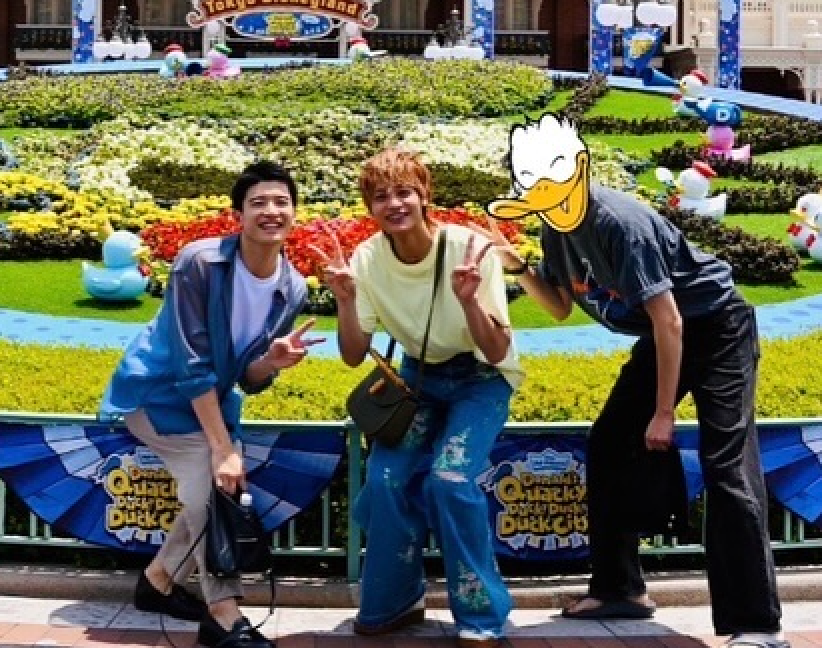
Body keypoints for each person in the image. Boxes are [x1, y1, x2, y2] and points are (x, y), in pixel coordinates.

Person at [480, 112, 787, 648]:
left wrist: (663, 413)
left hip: (716, 326)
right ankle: (619, 588)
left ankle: (757, 625)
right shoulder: (555, 226)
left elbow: (670, 320)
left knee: (727, 464)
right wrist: (519, 268)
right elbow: (559, 306)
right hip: (665, 334)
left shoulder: (621, 224)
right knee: (610, 440)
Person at [100, 161, 322, 648]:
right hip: (157, 395)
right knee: (211, 492)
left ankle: (158, 580)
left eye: (281, 202)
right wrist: (222, 448)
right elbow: (191, 363)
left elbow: (248, 378)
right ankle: (223, 613)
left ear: (294, 212)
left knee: (221, 489)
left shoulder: (292, 288)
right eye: (258, 203)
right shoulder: (199, 263)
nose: (271, 211)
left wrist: (270, 362)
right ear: (238, 215)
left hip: (209, 405)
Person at [312, 148, 524, 648]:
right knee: (385, 480)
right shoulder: (367, 259)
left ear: (425, 195)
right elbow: (353, 354)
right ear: (370, 206)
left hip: (480, 379)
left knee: (450, 479)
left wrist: (469, 301)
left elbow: (496, 350)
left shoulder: (470, 249)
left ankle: (481, 614)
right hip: (418, 382)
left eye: (404, 192)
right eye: (381, 196)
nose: (394, 204)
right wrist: (345, 300)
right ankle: (395, 601)